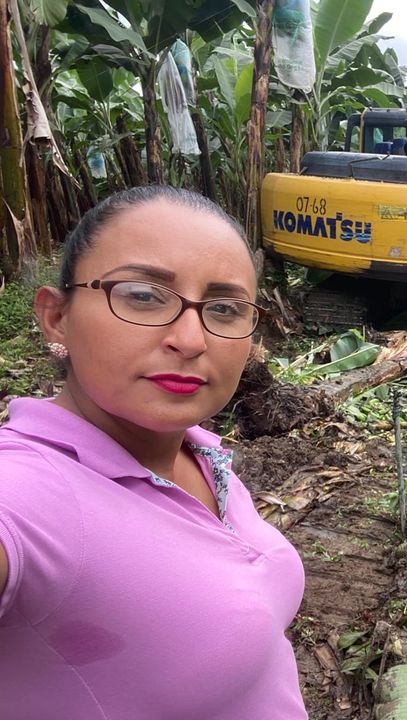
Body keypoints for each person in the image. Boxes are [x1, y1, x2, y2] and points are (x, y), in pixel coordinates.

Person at [0, 186, 308, 719]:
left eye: (225, 308)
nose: (190, 340)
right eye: (143, 295)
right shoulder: (30, 492)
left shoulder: (198, 453)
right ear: (56, 317)